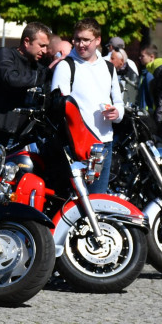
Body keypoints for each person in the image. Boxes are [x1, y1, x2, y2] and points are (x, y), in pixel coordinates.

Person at [51, 19, 124, 194]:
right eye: (77, 39)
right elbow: (58, 107)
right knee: (77, 201)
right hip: (76, 145)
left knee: (98, 199)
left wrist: (117, 113)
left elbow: (119, 101)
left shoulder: (108, 67)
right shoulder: (66, 65)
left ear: (98, 40)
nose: (80, 44)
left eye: (86, 40)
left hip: (104, 142)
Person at [0, 23, 51, 146]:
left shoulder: (39, 66)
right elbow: (11, 79)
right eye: (41, 45)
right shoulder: (5, 54)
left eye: (46, 46)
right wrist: (42, 75)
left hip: (23, 136)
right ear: (27, 42)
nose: (44, 51)